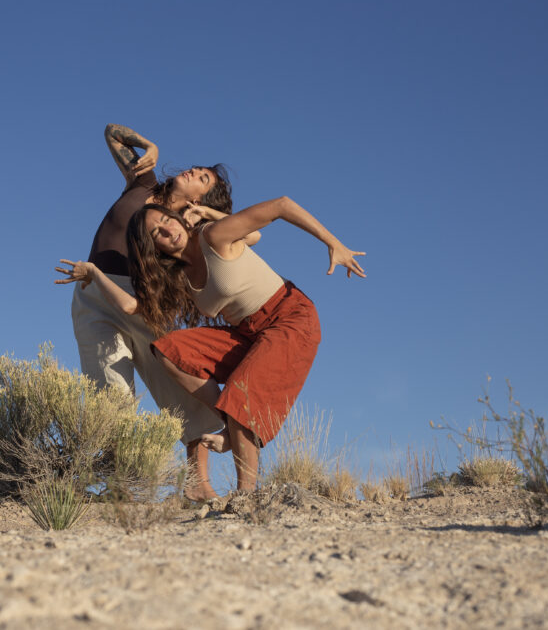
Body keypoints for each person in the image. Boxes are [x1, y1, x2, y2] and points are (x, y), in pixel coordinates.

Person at [56, 196, 365, 492]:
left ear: (178, 218)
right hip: (246, 332)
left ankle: (246, 497)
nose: (168, 230)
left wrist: (333, 243)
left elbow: (281, 206)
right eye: (157, 233)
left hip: (290, 317)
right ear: (153, 247)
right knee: (170, 350)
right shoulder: (177, 276)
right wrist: (95, 273)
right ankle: (228, 426)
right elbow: (132, 308)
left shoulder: (213, 236)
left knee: (242, 394)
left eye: (167, 220)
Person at [66, 123, 237, 501]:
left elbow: (236, 240)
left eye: (204, 179)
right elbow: (111, 132)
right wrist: (146, 144)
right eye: (197, 169)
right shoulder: (143, 184)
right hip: (95, 293)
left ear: (200, 199)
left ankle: (197, 484)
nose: (194, 171)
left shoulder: (187, 232)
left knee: (180, 386)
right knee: (110, 393)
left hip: (144, 306)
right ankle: (120, 487)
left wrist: (202, 217)